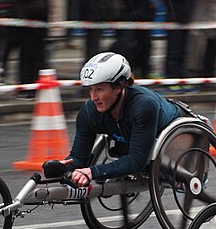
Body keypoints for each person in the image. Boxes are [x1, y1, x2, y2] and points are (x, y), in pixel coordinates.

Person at [44, 52, 181, 187]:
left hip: (177, 137)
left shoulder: (143, 106)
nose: (93, 97)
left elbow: (137, 161)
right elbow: (79, 158)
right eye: (90, 89)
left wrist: (93, 172)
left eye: (99, 89)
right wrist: (61, 167)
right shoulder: (88, 112)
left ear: (119, 86)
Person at [13, 0, 60, 99]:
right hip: (28, 19)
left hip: (41, 19)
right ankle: (26, 87)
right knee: (27, 54)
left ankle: (38, 84)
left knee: (39, 54)